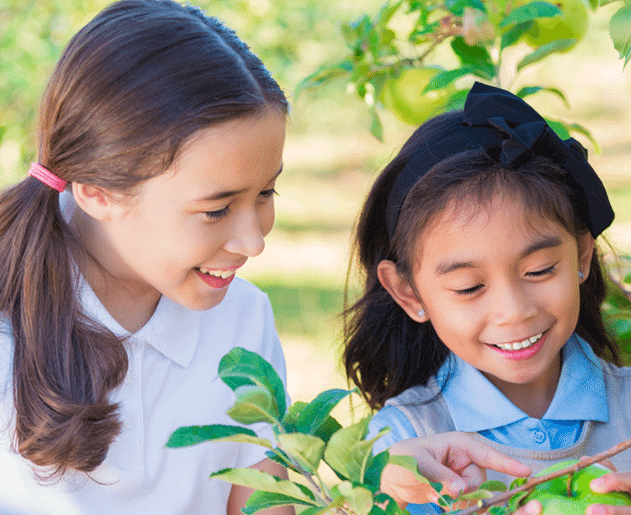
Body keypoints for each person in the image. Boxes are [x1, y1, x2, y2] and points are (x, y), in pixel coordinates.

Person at [0, 0, 291, 512]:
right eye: (217, 209)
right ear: (98, 191)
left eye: (266, 194)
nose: (254, 242)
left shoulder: (243, 322)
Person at [342, 82, 631, 512]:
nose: (513, 311)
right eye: (469, 288)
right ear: (408, 292)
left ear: (582, 255)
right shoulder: (400, 447)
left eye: (539, 271)